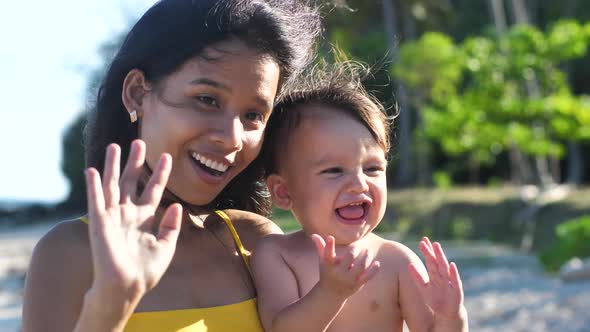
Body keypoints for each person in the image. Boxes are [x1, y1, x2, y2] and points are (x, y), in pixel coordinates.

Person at [22, 1, 321, 331]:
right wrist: (111, 302)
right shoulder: (68, 254)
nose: (233, 139)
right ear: (137, 93)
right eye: (207, 100)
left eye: (252, 116)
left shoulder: (257, 244)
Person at [251, 63, 469, 331]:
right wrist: (330, 294)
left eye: (372, 168)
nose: (358, 184)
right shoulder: (277, 255)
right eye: (333, 170)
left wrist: (451, 315)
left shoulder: (396, 261)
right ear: (284, 192)